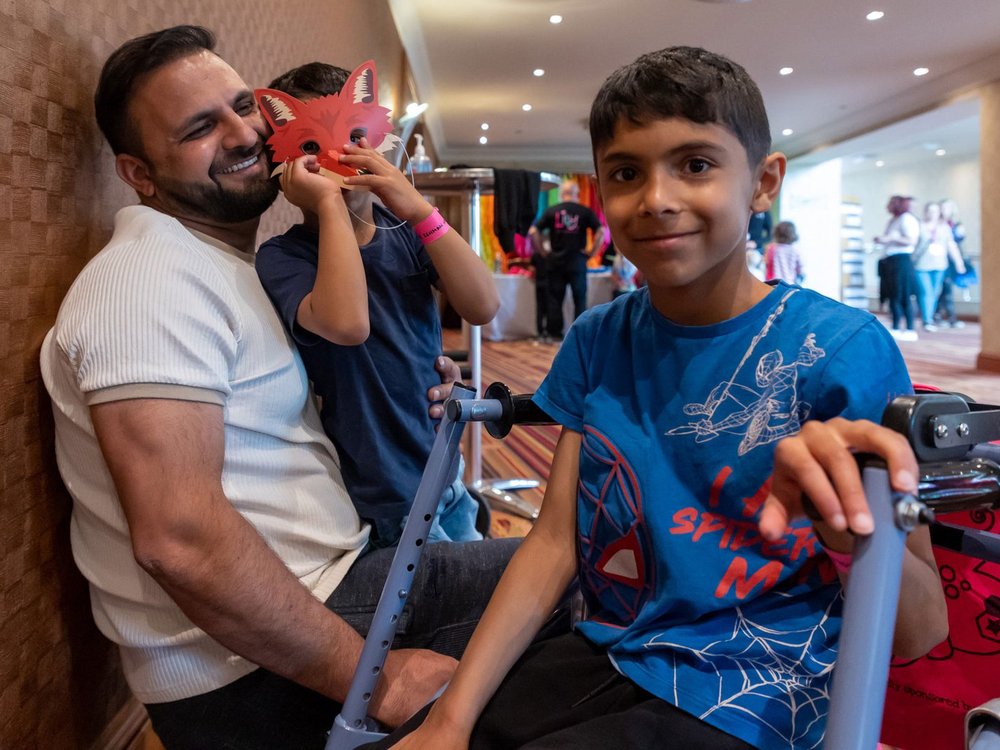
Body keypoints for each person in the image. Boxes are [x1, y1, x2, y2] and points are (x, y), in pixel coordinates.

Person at [373, 45, 947, 750]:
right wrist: (452, 719)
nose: (656, 198)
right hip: (615, 648)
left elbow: (924, 630)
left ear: (764, 183)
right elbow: (553, 542)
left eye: (696, 164)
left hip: (759, 690)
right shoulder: (598, 337)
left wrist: (851, 532)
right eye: (625, 173)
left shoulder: (843, 351)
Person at [38, 26, 516, 749]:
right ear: (139, 173)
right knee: (578, 581)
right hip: (262, 660)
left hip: (343, 577)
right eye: (201, 127)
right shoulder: (145, 284)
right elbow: (180, 541)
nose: (244, 134)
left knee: (582, 568)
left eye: (242, 107)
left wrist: (428, 371)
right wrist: (374, 679)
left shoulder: (227, 266)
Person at [255, 62, 499, 547]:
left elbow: (483, 304)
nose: (339, 155)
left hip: (444, 466)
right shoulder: (284, 258)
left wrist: (420, 210)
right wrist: (328, 204)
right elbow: (349, 325)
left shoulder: (405, 231)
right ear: (285, 167)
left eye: (356, 137)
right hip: (383, 491)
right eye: (310, 148)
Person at [529, 180, 607, 340]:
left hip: (555, 261)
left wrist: (543, 252)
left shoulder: (551, 211)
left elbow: (532, 231)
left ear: (561, 194)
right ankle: (581, 334)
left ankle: (554, 334)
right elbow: (601, 232)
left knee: (555, 299)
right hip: (577, 261)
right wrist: (592, 253)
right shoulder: (584, 211)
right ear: (576, 194)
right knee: (580, 298)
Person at [914, 201, 964, 332]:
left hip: (939, 265)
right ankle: (927, 320)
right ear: (925, 212)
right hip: (921, 265)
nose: (933, 214)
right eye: (930, 211)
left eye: (935, 211)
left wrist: (959, 262)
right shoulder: (919, 226)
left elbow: (951, 245)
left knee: (935, 293)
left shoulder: (944, 228)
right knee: (926, 292)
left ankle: (929, 317)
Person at [875, 195, 920, 341]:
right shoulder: (893, 220)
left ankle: (910, 328)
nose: (886, 206)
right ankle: (895, 326)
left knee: (903, 295)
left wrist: (891, 239)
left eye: (889, 203)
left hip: (901, 260)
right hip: (891, 260)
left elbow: (911, 240)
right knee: (893, 295)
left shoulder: (907, 219)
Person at [934, 198, 969, 328]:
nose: (944, 211)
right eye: (942, 208)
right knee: (941, 290)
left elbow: (958, 242)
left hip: (951, 262)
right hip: (938, 260)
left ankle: (946, 316)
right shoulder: (935, 224)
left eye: (947, 208)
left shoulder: (956, 225)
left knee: (947, 289)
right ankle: (944, 316)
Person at [764, 220, 804, 284]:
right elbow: (799, 268)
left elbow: (767, 262)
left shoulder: (771, 248)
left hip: (773, 283)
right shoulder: (795, 251)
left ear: (776, 233)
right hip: (789, 284)